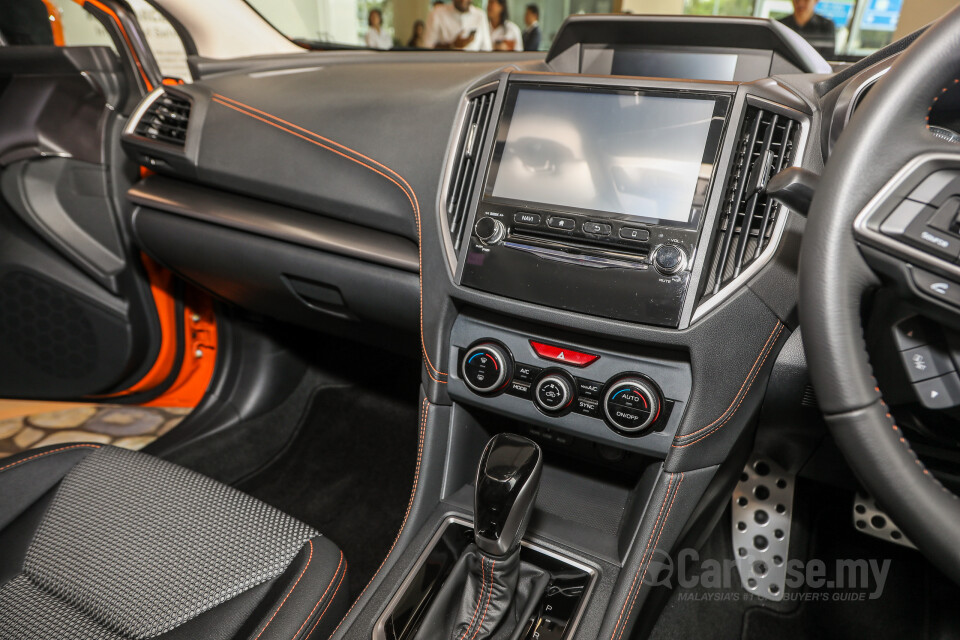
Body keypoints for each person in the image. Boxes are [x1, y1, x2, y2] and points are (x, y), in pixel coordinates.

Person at [423, 0, 492, 51]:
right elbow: (426, 48)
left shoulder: (480, 16)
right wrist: (452, 45)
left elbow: (486, 49)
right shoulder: (437, 14)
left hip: (475, 68)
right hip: (444, 67)